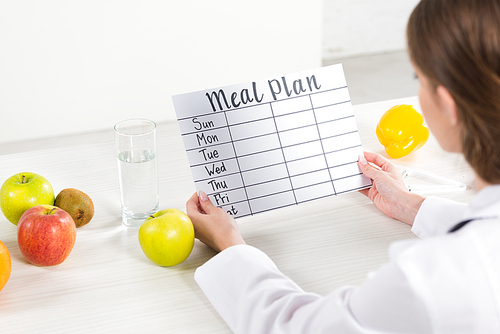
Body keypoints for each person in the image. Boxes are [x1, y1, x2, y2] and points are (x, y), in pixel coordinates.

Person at [186, 0, 500, 332]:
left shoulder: (428, 281)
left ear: (449, 106)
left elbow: (300, 328)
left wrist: (229, 244)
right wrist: (410, 204)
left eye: (418, 78)